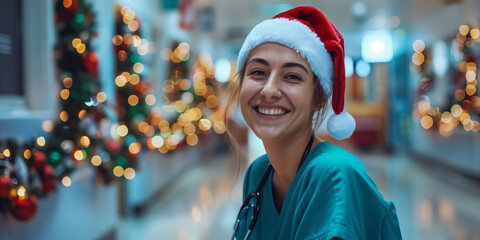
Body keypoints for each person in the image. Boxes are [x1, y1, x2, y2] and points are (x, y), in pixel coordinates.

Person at [225, 6, 402, 240]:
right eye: (258, 72)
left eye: (292, 76)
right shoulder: (258, 173)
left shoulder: (333, 175)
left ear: (318, 99)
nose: (269, 90)